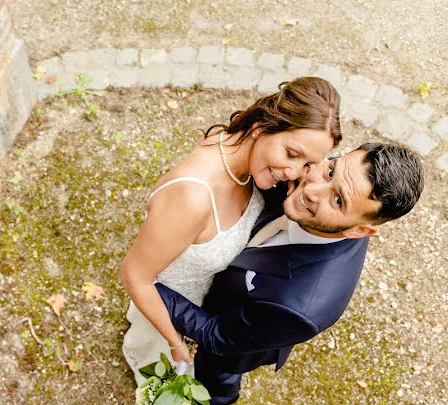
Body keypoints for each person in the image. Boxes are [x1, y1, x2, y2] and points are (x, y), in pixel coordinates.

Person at [154, 143, 424, 405]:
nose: (311, 189)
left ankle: (219, 397)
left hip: (247, 330)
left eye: (338, 200)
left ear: (359, 231)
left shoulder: (299, 307)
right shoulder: (315, 172)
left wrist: (150, 285)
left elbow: (215, 334)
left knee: (217, 366)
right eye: (331, 171)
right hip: (231, 289)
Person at [120, 77, 341, 383]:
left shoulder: (251, 164)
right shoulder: (192, 198)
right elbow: (135, 277)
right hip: (164, 305)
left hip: (203, 302)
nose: (294, 173)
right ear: (261, 128)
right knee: (157, 363)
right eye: (292, 154)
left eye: (308, 164)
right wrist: (174, 341)